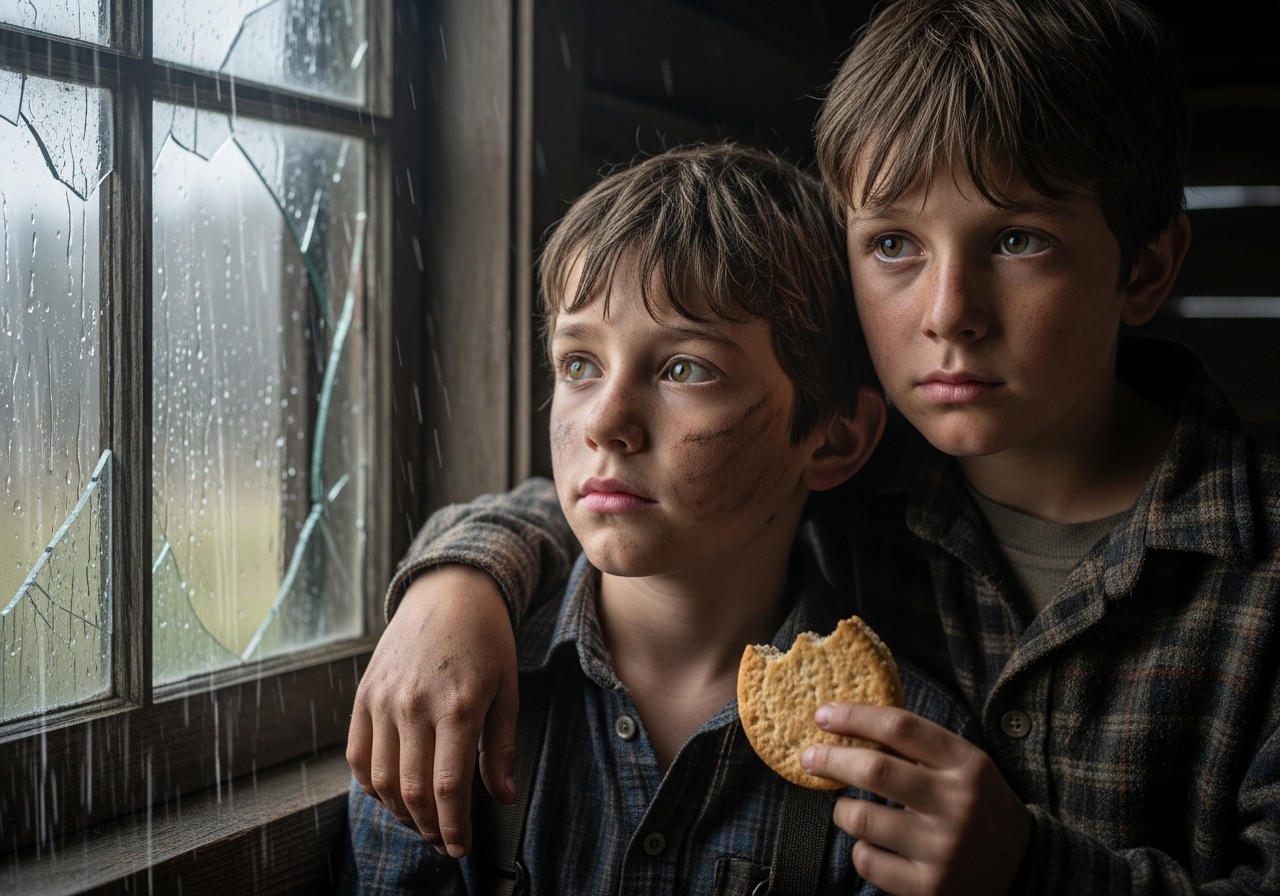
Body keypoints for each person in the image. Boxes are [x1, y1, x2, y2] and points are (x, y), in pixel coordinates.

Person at [348, 0, 1280, 893]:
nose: (950, 312)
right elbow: (630, 491)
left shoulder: (1260, 573)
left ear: (1146, 266)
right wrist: (456, 584)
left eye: (1019, 239)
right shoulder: (845, 477)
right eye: (892, 245)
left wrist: (1033, 872)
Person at [344, 144, 994, 894]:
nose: (607, 423)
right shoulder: (445, 693)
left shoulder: (904, 769)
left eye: (686, 368)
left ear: (835, 437)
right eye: (579, 364)